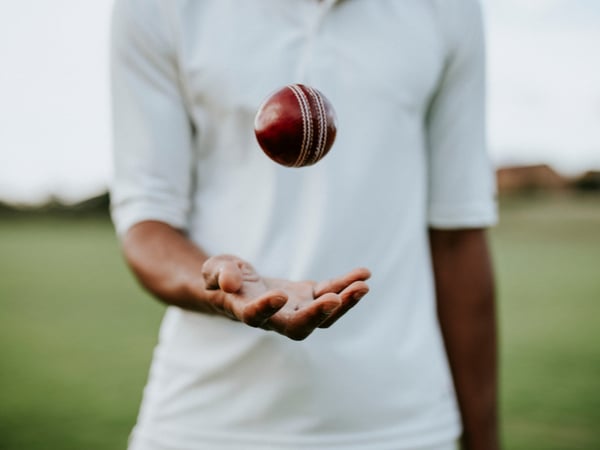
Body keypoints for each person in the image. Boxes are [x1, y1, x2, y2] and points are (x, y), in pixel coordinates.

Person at [110, 0, 499, 449]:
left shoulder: (449, 9)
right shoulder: (155, 8)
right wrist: (219, 287)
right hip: (204, 422)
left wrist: (484, 440)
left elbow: (458, 234)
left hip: (402, 425)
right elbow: (147, 223)